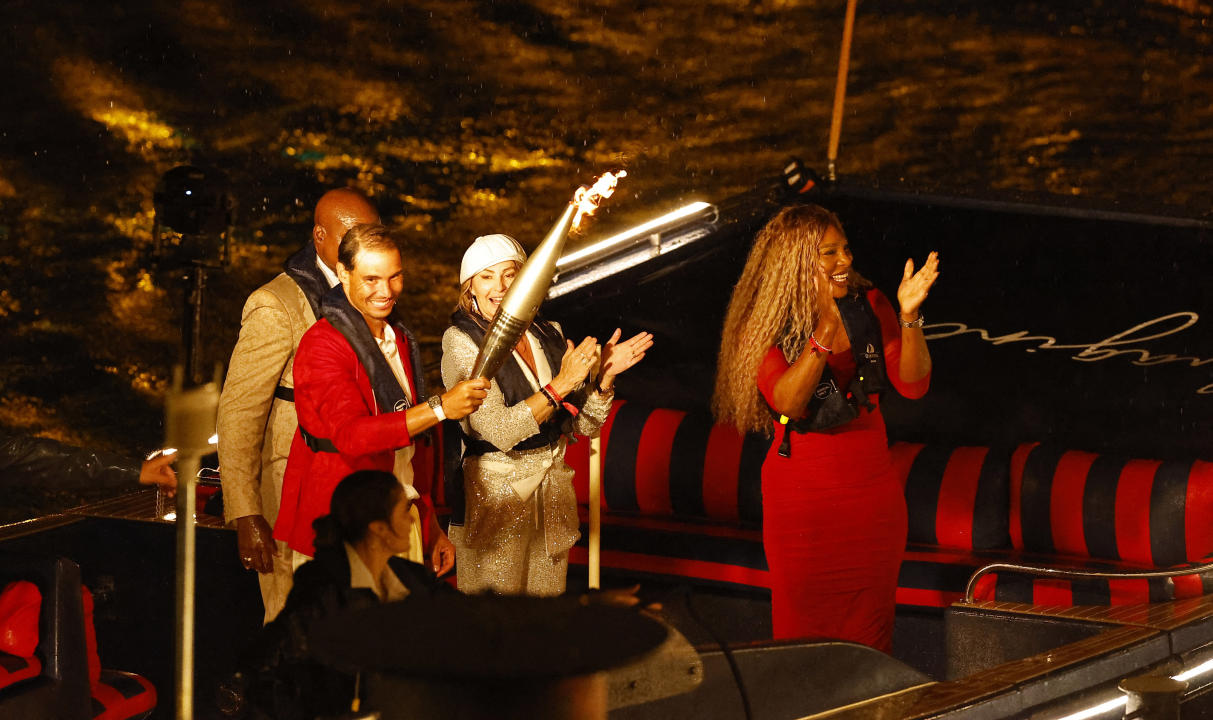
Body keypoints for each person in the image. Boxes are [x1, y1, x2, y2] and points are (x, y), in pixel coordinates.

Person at [712, 204, 938, 652]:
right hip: (803, 505)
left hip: (870, 498)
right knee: (802, 646)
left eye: (846, 249)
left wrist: (909, 315)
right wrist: (827, 327)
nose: (846, 261)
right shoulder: (762, 322)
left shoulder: (869, 302)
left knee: (870, 644)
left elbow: (913, 385)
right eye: (829, 253)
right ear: (797, 260)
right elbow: (788, 402)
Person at [441, 234, 653, 596]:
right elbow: (499, 430)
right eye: (486, 277)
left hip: (552, 497)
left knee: (546, 626)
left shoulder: (548, 333)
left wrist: (603, 379)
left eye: (510, 274)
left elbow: (583, 425)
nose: (500, 287)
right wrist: (562, 383)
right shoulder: (461, 342)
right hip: (497, 501)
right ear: (470, 288)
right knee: (494, 626)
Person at [274, 223, 489, 566]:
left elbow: (408, 449)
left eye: (394, 277)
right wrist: (441, 408)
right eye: (371, 279)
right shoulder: (323, 344)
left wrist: (430, 523)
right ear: (343, 273)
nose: (386, 291)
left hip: (398, 518)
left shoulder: (396, 336)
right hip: (345, 529)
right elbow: (351, 436)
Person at [218, 187, 380, 623]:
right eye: (350, 236)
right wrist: (246, 512)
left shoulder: (371, 292)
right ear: (319, 237)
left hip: (353, 483)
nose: (362, 246)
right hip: (291, 489)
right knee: (293, 619)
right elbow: (239, 413)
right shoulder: (277, 304)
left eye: (371, 234)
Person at [233, 469, 454, 720]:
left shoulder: (412, 578)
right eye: (404, 511)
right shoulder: (322, 587)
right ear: (379, 529)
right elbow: (272, 655)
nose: (413, 520)